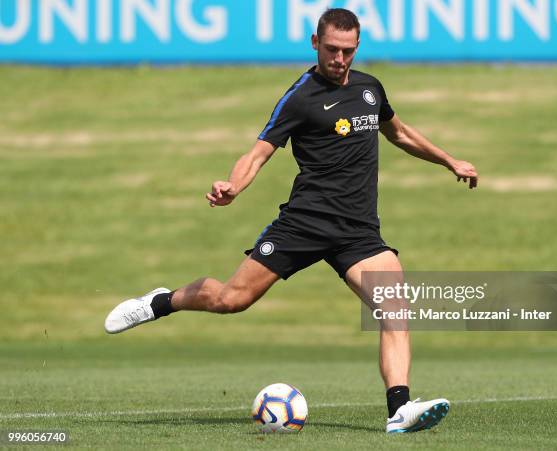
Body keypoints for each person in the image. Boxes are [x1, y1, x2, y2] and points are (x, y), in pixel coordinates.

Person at [104, 8, 478, 433]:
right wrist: (233, 186)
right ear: (315, 43)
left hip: (357, 232)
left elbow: (400, 133)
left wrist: (449, 160)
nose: (340, 59)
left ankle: (399, 410)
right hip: (303, 223)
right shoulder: (300, 97)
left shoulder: (370, 89)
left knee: (394, 307)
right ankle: (160, 301)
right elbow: (259, 151)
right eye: (333, 49)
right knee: (231, 299)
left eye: (349, 51)